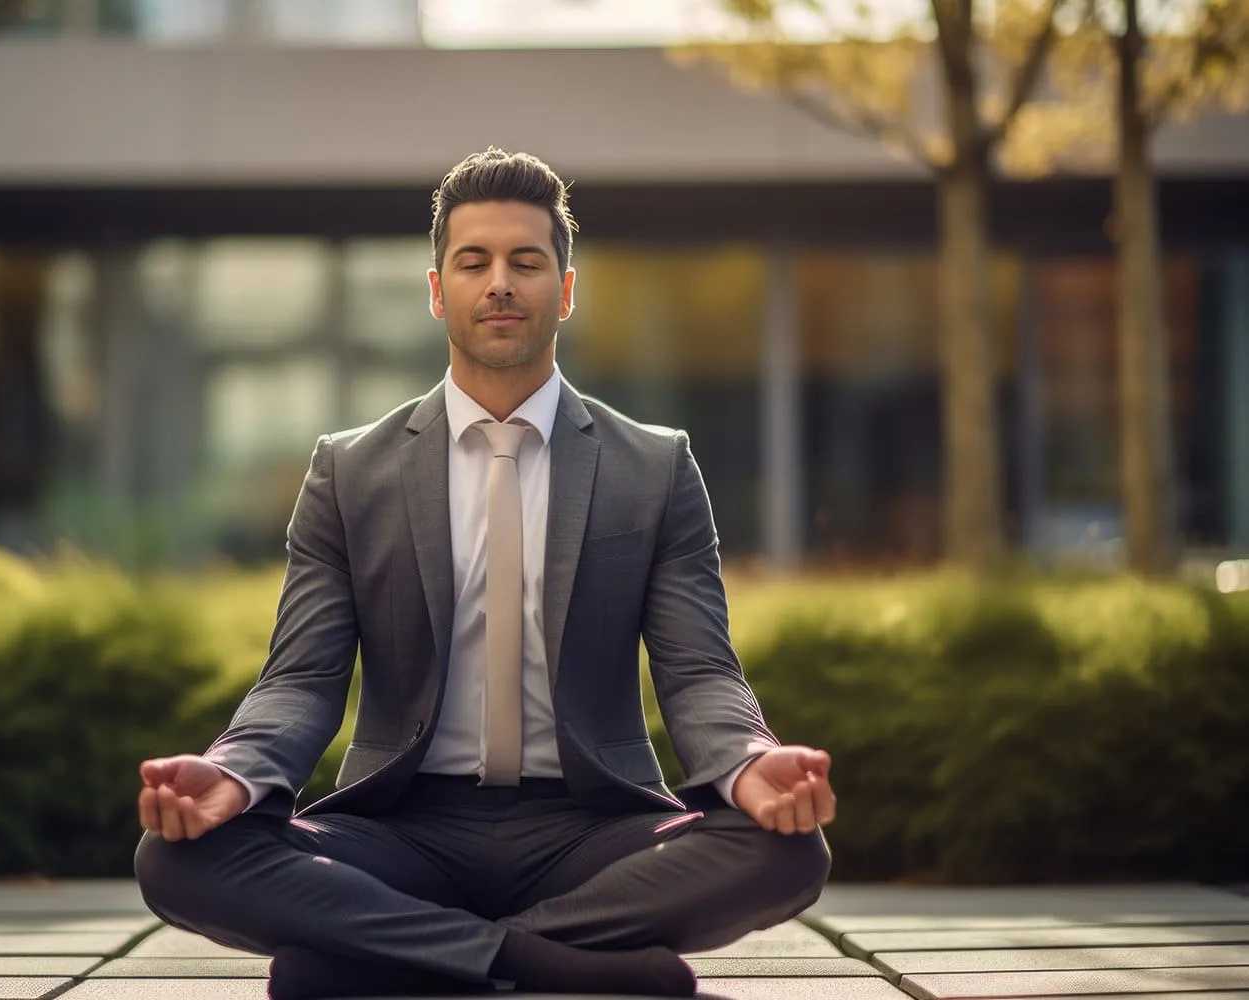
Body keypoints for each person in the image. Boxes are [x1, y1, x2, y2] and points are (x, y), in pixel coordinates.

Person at [134, 148, 836, 1000]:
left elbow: (700, 674)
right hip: (403, 829)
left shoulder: (654, 469)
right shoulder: (349, 473)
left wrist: (751, 763)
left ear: (565, 292)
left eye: (525, 262)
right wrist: (233, 771)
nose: (499, 282)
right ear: (438, 292)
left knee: (788, 850)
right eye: (474, 262)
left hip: (593, 829)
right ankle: (546, 965)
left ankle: (389, 961)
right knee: (175, 857)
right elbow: (301, 681)